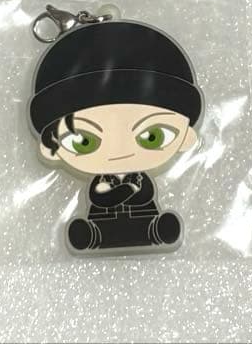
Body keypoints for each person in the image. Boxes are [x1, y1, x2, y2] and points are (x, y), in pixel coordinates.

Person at [29, 18, 203, 253]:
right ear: (49, 146)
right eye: (84, 142)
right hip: (103, 224)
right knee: (95, 231)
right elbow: (100, 199)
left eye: (152, 136)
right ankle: (91, 236)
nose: (120, 153)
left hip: (144, 221)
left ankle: (156, 231)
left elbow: (144, 196)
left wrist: (127, 191)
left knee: (152, 226)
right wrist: (128, 190)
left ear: (186, 137)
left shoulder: (138, 180)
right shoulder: (112, 183)